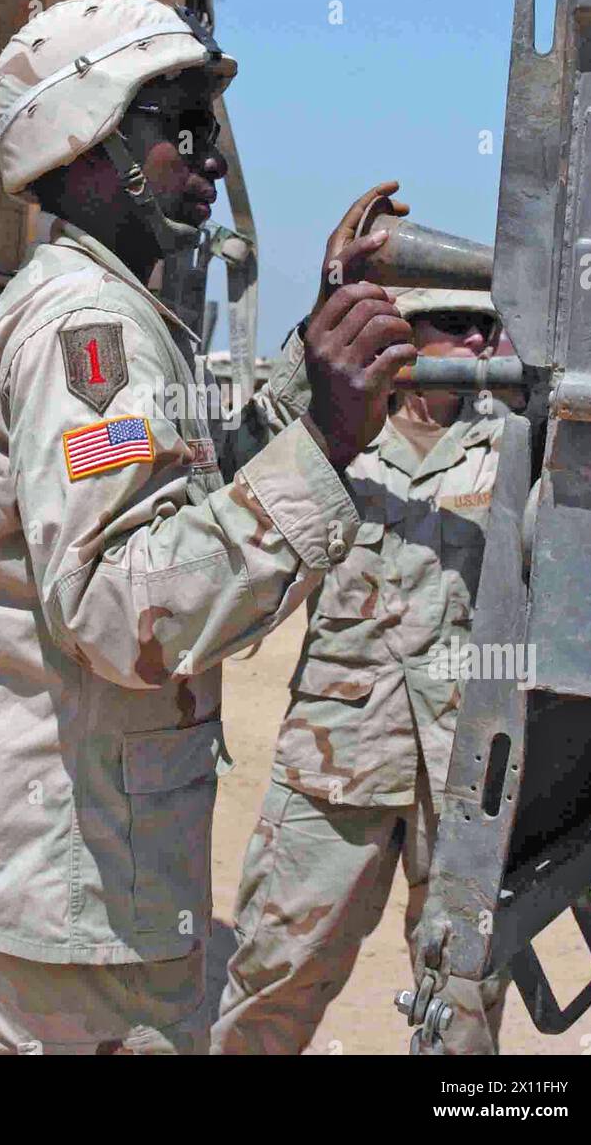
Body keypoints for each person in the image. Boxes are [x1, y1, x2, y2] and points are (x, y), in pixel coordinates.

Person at [0, 0, 417, 1055]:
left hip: (21, 875)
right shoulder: (91, 329)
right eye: (181, 125)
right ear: (85, 145)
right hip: (48, 907)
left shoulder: (103, 308)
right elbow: (124, 610)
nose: (212, 158)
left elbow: (183, 499)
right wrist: (331, 447)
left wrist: (312, 362)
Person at [212, 286, 509, 1057]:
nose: (478, 342)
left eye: (488, 328)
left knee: (463, 1006)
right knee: (274, 982)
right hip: (334, 762)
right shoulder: (333, 436)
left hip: (466, 778)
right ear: (402, 332)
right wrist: (315, 320)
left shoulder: (515, 443)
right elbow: (231, 468)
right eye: (456, 326)